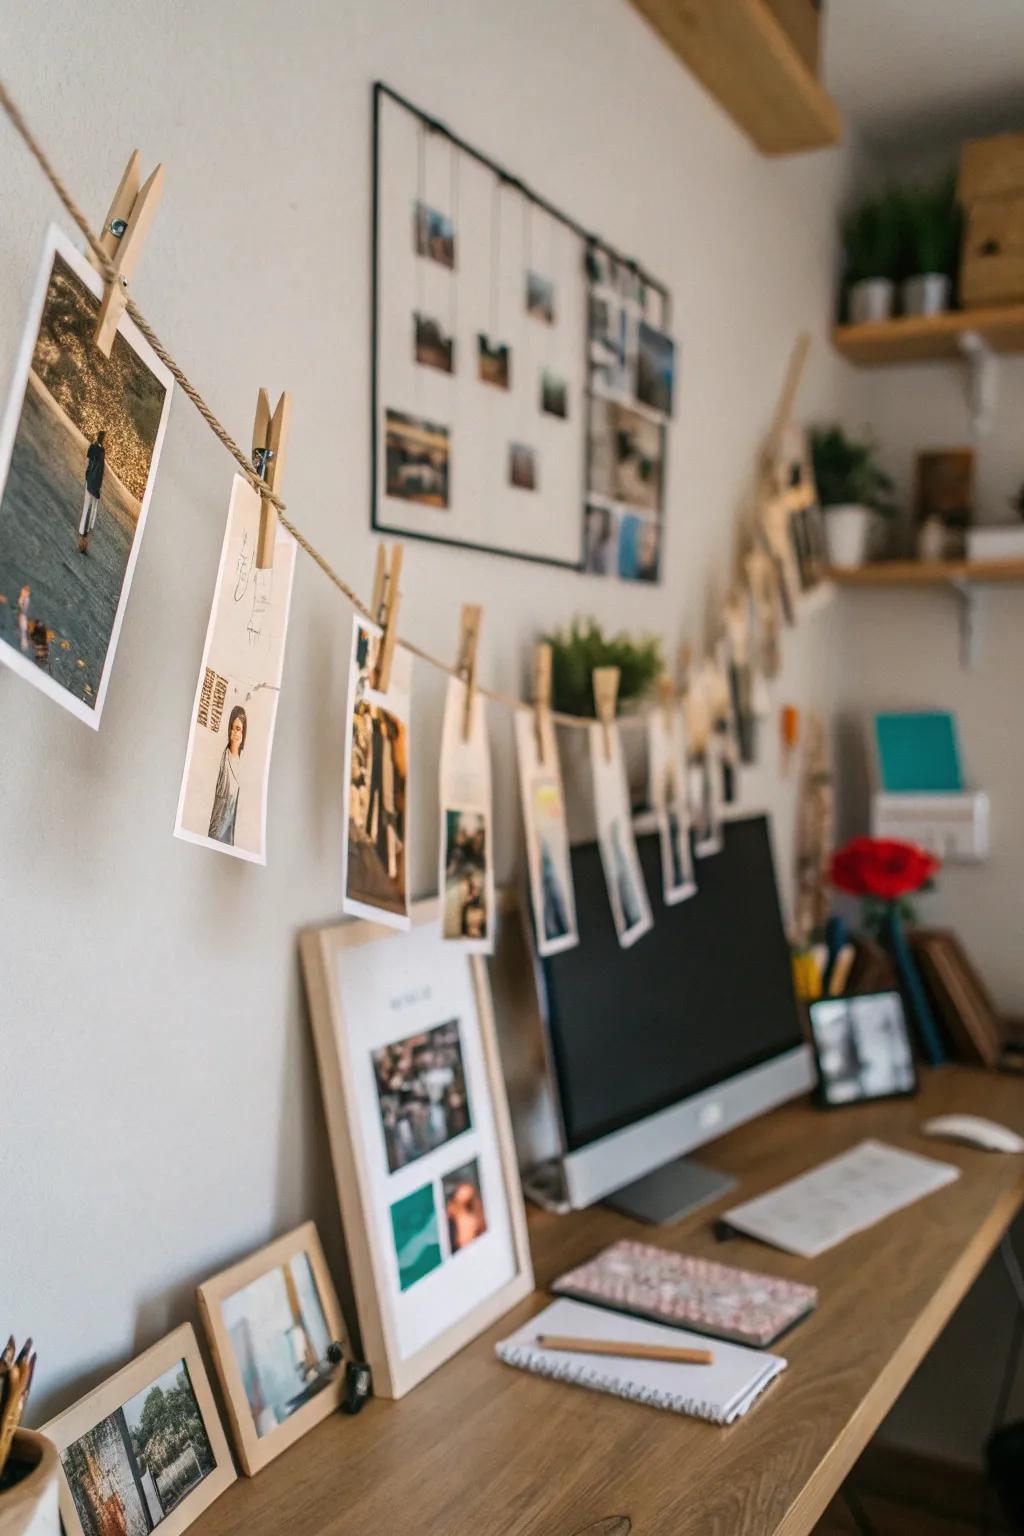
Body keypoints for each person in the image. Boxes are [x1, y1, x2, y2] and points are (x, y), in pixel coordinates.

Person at [208, 705, 246, 845]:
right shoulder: (223, 758)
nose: (234, 732)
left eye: (238, 729)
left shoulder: (243, 763)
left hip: (228, 836)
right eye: (232, 727)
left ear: (243, 733)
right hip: (214, 831)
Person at [78, 430, 106, 555]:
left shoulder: (93, 447)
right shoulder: (101, 451)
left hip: (90, 480)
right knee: (92, 507)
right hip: (94, 483)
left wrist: (87, 475)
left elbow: (87, 462)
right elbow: (100, 471)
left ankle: (83, 530)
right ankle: (86, 530)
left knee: (86, 505)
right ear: (102, 438)